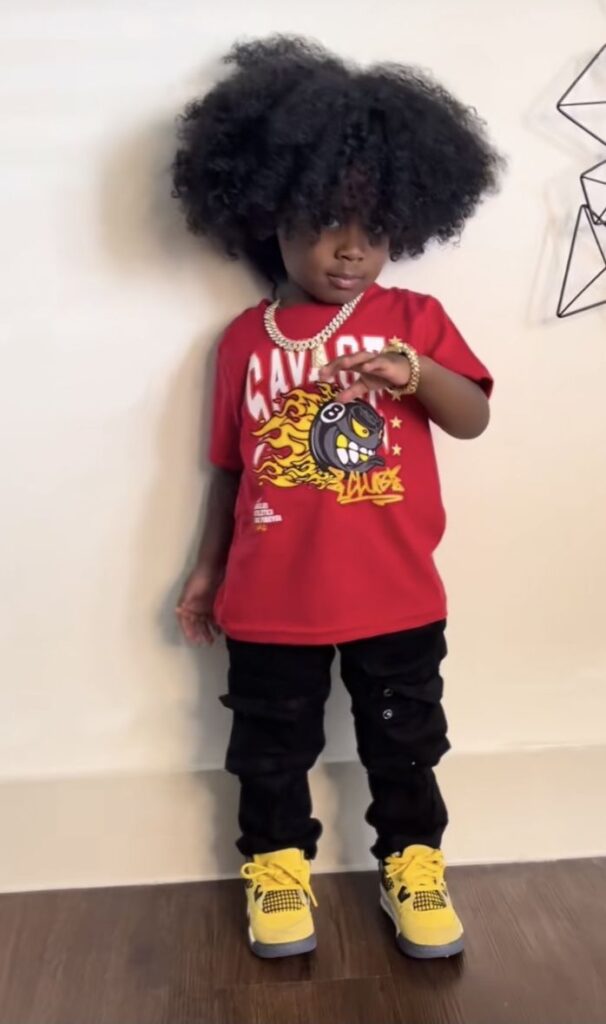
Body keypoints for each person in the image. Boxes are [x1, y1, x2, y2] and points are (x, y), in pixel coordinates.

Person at [172, 35, 501, 961]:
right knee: (268, 748)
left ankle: (413, 863)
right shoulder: (244, 341)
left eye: (374, 227)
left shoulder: (413, 323)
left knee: (406, 745)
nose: (351, 249)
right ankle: (277, 866)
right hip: (270, 599)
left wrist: (414, 372)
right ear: (268, 212)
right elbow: (232, 471)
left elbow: (473, 418)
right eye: (324, 221)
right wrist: (205, 572)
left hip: (395, 594)